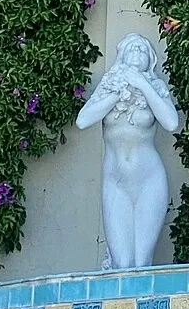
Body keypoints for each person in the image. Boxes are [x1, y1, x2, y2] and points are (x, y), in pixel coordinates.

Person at [76, 33, 181, 269]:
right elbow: (83, 120)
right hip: (116, 181)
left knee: (142, 261)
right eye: (132, 49)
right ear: (122, 56)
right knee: (122, 262)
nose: (137, 54)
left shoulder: (155, 87)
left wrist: (142, 84)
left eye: (143, 51)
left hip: (149, 180)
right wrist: (119, 91)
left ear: (150, 60)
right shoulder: (109, 84)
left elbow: (171, 123)